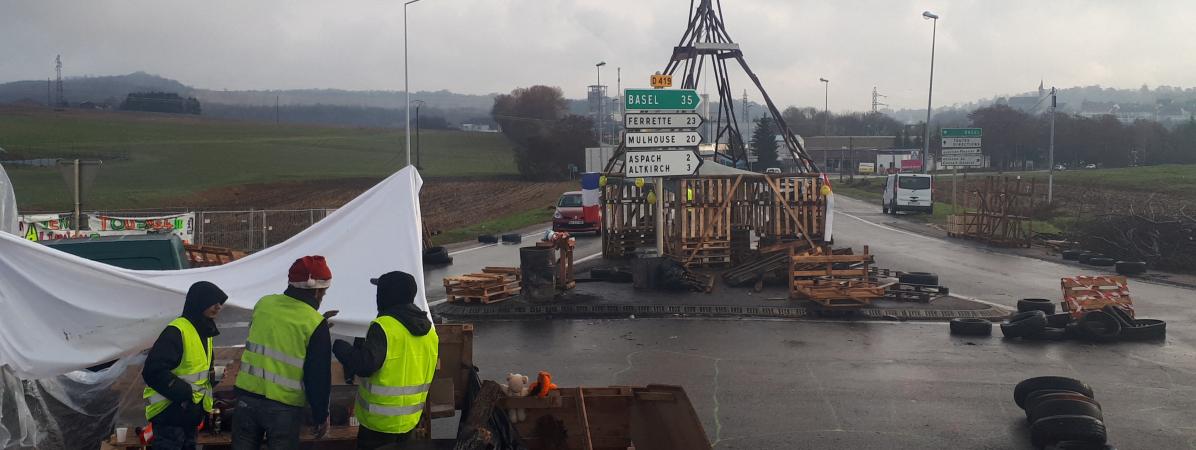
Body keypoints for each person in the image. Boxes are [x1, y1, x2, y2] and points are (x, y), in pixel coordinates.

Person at [232, 256, 337, 450]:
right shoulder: (314, 323)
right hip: (284, 408)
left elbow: (271, 337)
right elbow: (318, 376)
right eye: (324, 291)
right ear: (317, 290)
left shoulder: (264, 304)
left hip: (246, 399)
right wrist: (321, 415)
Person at [333, 271, 438, 449]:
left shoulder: (385, 326)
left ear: (387, 295)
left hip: (379, 424)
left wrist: (341, 348)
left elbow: (365, 366)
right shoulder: (429, 331)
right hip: (408, 420)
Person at [141, 281, 228, 450]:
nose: (218, 307)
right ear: (199, 301)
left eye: (220, 303)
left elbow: (195, 371)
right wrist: (186, 395)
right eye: (214, 302)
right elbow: (153, 371)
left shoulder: (204, 331)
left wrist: (212, 377)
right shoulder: (177, 330)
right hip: (170, 414)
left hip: (189, 414)